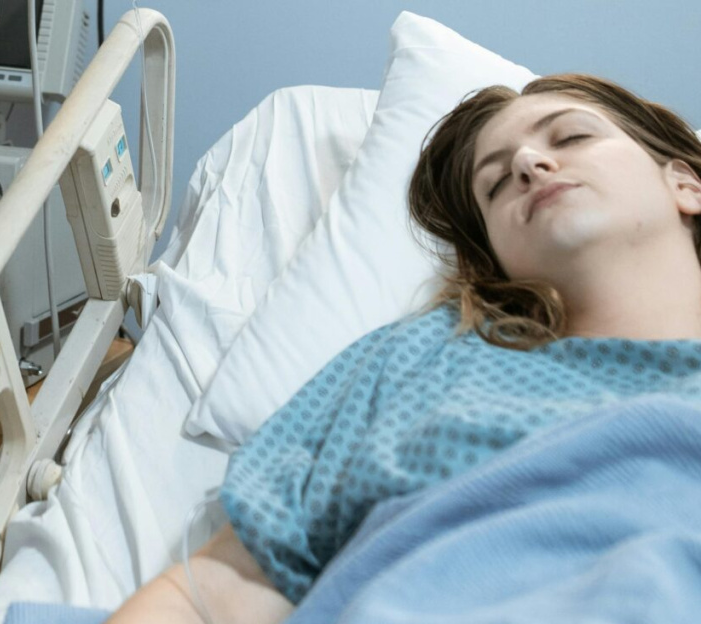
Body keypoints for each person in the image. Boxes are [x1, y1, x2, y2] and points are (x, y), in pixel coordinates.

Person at [105, 74, 701, 623]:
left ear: (684, 183)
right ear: (497, 255)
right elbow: (216, 590)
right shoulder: (425, 358)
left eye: (571, 135)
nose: (527, 161)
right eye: (493, 186)